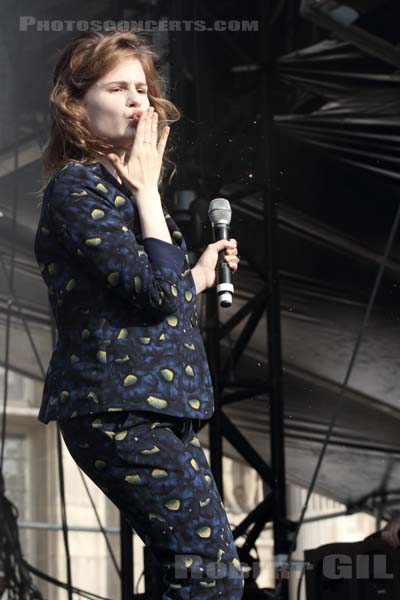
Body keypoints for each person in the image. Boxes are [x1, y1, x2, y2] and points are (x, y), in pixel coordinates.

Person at [34, 30, 244, 598]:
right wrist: (150, 194)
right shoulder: (80, 188)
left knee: (196, 569)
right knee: (208, 569)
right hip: (119, 409)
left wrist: (199, 274)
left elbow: (165, 295)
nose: (138, 101)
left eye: (143, 88)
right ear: (75, 104)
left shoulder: (121, 191)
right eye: (117, 87)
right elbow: (154, 295)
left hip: (152, 408)